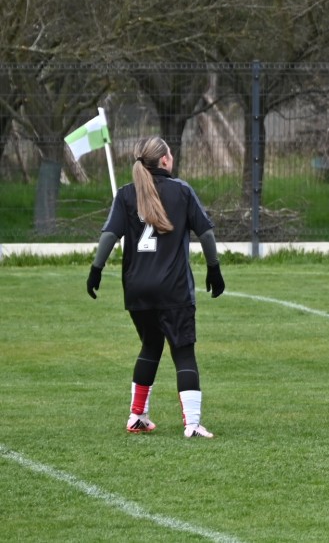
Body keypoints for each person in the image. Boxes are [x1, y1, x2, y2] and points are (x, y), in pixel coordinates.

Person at [86, 136, 225, 439]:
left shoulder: (126, 194)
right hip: (174, 289)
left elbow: (109, 235)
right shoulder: (181, 191)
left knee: (150, 345)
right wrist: (214, 268)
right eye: (170, 153)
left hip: (137, 289)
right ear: (164, 160)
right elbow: (206, 234)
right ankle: (192, 424)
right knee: (183, 351)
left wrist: (96, 270)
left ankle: (137, 416)